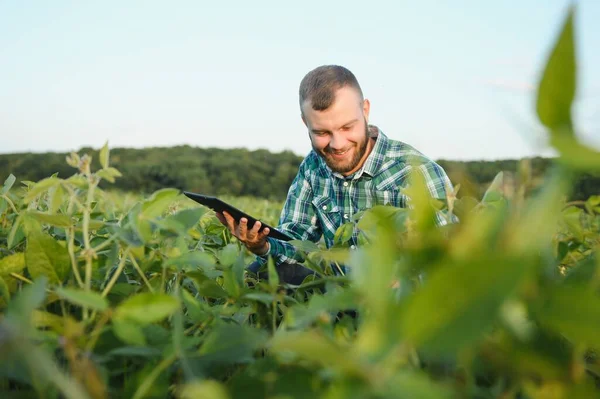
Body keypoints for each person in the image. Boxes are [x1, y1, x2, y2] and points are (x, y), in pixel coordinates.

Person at [216, 65, 456, 284]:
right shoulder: (314, 167)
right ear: (305, 123)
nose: (337, 144)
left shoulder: (416, 172)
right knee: (261, 271)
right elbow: (296, 239)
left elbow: (450, 263)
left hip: (400, 299)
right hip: (338, 290)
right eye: (322, 132)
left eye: (346, 127)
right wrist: (261, 245)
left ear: (365, 110)